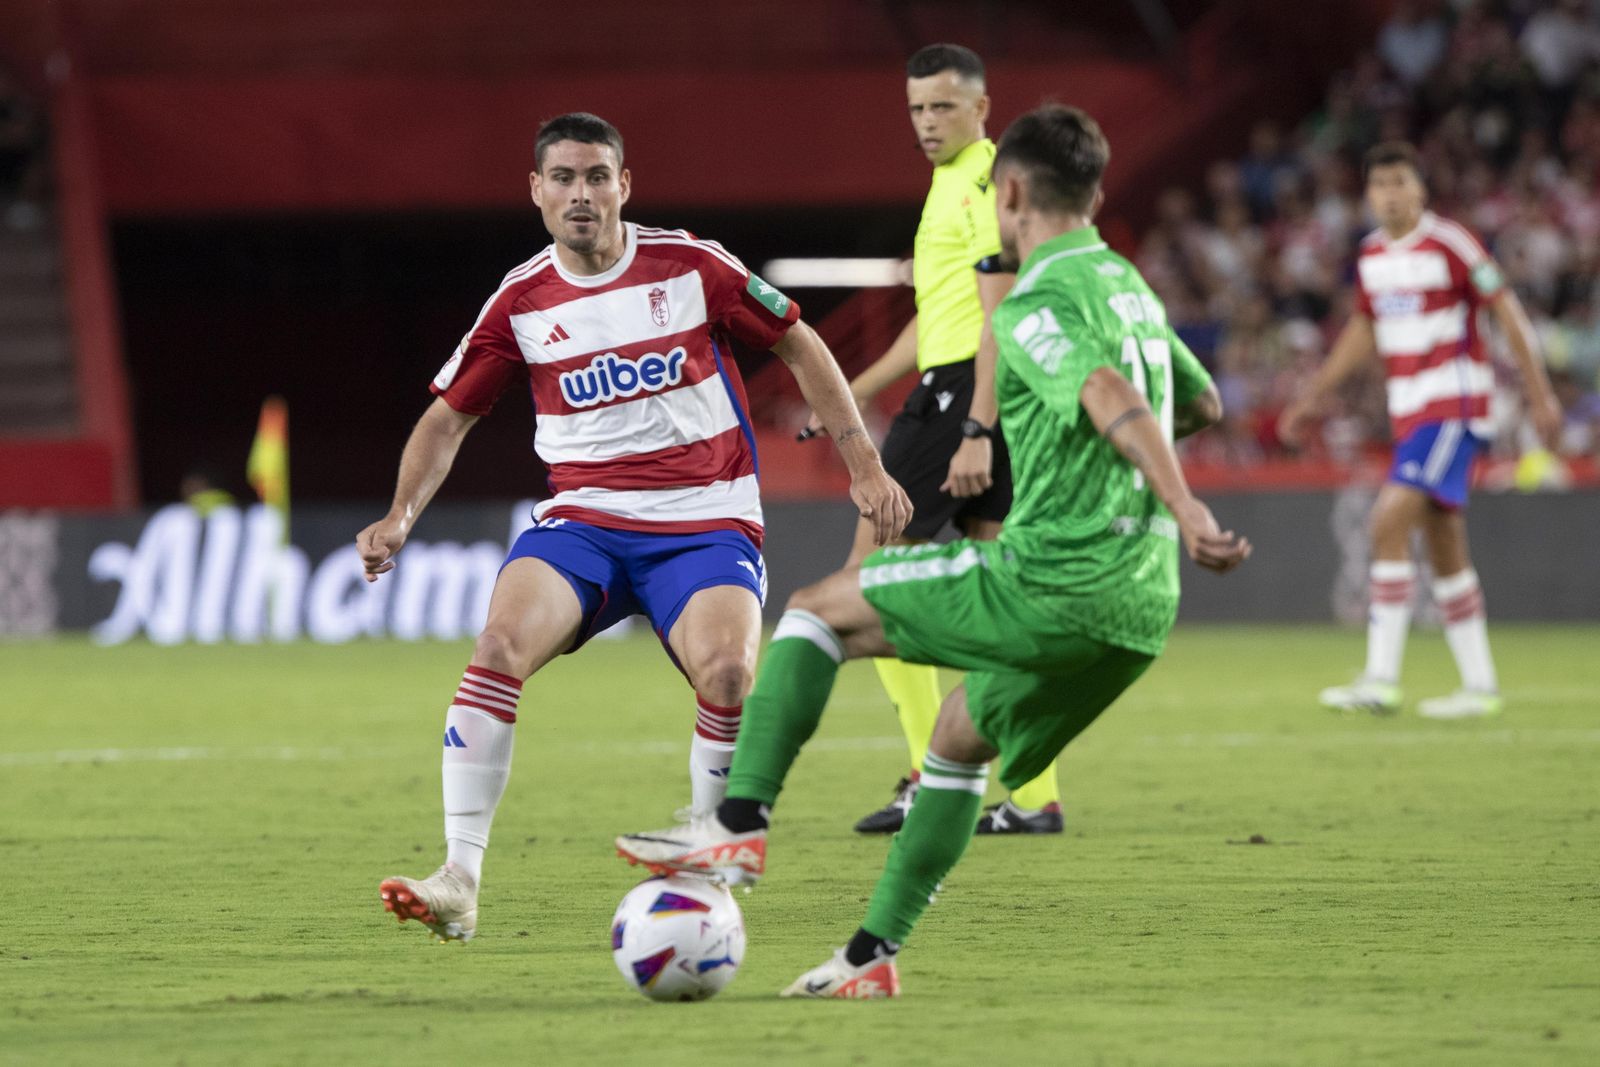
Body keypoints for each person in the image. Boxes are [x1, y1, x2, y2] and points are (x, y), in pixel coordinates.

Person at [617, 104, 1251, 997]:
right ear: (1097, 196)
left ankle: (737, 823)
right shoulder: (1131, 291)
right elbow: (1204, 403)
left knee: (815, 612)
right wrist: (1126, 476)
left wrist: (1184, 503)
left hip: (1058, 577)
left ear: (1012, 192)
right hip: (1142, 605)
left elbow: (1108, 391)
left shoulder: (1035, 298)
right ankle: (869, 958)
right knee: (957, 737)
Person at [362, 112, 911, 942]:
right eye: (563, 178)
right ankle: (459, 878)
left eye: (596, 177)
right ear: (537, 191)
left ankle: (713, 851)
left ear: (624, 185)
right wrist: (400, 515)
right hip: (583, 522)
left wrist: (862, 461)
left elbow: (800, 344)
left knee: (727, 670)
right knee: (499, 647)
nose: (580, 194)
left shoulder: (691, 266)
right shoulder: (520, 300)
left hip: (704, 519)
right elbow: (448, 418)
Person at [811, 43, 1063, 836]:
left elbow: (1000, 313)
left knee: (870, 578)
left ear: (981, 108)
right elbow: (939, 313)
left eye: (943, 106)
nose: (926, 121)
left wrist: (977, 425)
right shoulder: (956, 183)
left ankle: (930, 774)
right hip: (972, 388)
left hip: (966, 394)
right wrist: (858, 387)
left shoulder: (984, 185)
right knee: (995, 594)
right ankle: (1034, 793)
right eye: (917, 108)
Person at [1279, 141, 1562, 720]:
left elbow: (1506, 309)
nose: (1390, 194)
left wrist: (1540, 394)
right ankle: (1479, 686)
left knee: (1386, 522)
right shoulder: (1371, 256)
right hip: (1411, 416)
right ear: (1367, 194)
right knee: (1444, 542)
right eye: (1379, 184)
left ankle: (1381, 680)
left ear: (1421, 189)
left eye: (1400, 182)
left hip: (1453, 406)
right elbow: (1363, 329)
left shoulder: (1451, 243)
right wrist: (1312, 397)